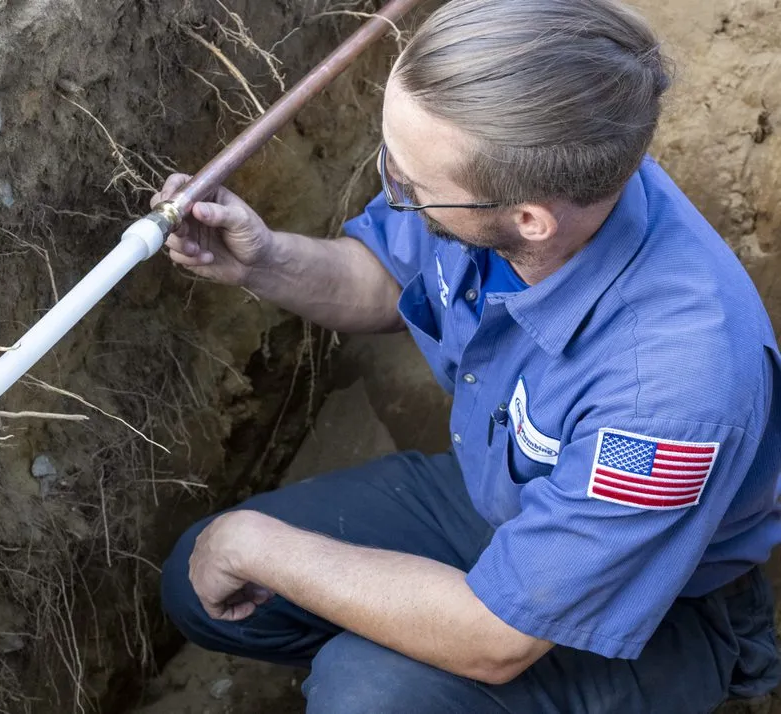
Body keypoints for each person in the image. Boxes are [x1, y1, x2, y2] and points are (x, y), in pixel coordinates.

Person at [152, 1, 781, 711]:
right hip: (507, 498)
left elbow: (496, 637)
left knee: (368, 693)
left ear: (528, 220)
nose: (394, 188)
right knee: (200, 584)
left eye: (411, 188)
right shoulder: (519, 173)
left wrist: (258, 545)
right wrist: (264, 261)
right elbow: (392, 277)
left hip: (657, 601)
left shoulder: (670, 391)